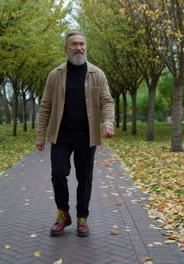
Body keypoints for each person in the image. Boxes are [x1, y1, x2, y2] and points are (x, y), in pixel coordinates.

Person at [36, 32, 115, 237]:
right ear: (66, 49)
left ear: (86, 47)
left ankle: (82, 218)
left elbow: (107, 101)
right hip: (60, 135)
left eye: (82, 44)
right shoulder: (56, 75)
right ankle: (63, 214)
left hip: (86, 136)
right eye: (74, 44)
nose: (78, 48)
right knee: (58, 174)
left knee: (84, 178)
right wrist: (39, 135)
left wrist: (109, 122)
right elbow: (45, 105)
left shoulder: (97, 74)